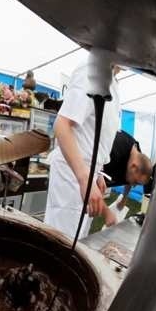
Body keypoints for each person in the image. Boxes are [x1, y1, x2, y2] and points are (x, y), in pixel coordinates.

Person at [44, 62, 122, 239]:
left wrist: (98, 171)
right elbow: (62, 124)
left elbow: (91, 133)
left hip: (87, 172)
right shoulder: (91, 72)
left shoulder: (112, 83)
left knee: (78, 239)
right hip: (72, 174)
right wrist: (84, 178)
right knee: (64, 240)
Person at [101, 130, 153, 217]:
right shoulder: (114, 150)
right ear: (134, 167)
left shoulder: (136, 155)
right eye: (136, 182)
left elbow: (129, 181)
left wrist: (125, 197)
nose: (134, 185)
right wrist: (107, 213)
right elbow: (90, 178)